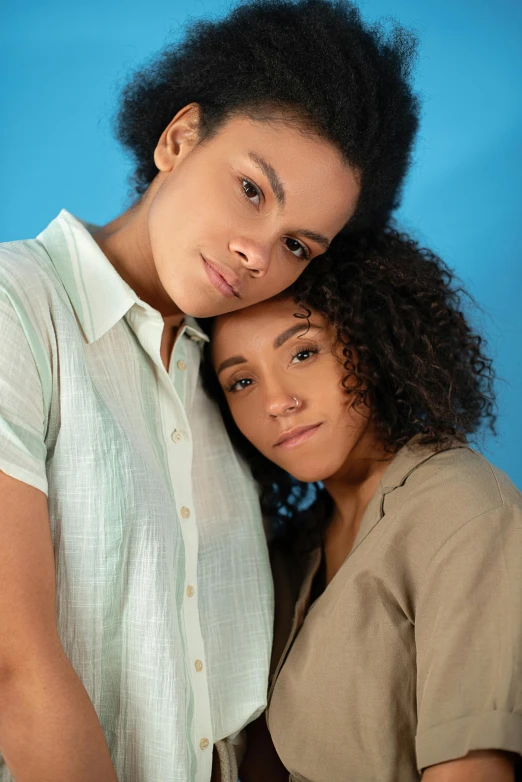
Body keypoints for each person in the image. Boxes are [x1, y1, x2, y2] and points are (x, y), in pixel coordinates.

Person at [0, 2, 422, 780]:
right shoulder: (18, 310)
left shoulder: (231, 384)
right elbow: (15, 667)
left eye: (298, 244)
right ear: (178, 138)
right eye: (253, 190)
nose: (258, 252)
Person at [206, 228, 522, 782]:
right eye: (241, 381)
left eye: (303, 352)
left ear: (371, 342)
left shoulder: (465, 512)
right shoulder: (294, 546)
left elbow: (474, 770)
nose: (278, 402)